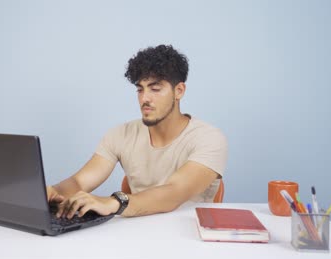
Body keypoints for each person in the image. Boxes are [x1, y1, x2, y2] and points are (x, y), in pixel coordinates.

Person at [47, 44, 227, 219]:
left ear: (179, 91)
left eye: (155, 89)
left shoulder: (209, 139)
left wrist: (113, 203)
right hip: (136, 236)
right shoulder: (120, 134)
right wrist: (52, 193)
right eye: (140, 89)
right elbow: (79, 182)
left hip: (192, 239)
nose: (144, 98)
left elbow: (173, 192)